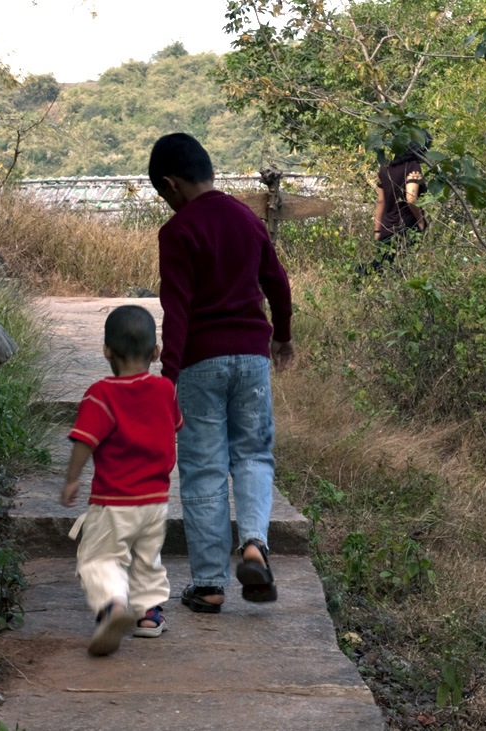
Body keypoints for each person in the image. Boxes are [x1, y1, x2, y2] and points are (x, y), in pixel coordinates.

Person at [148, 132, 295, 614]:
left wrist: (167, 379)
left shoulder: (179, 232)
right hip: (252, 358)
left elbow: (178, 310)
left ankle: (209, 584)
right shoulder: (246, 218)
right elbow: (276, 280)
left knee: (204, 470)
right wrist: (282, 336)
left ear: (171, 185)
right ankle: (254, 544)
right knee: (253, 454)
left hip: (199, 364)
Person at [61, 304, 183, 655]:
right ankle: (148, 616)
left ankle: (113, 604)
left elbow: (85, 440)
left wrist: (71, 480)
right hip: (156, 501)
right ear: (157, 352)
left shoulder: (101, 394)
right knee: (147, 558)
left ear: (106, 351)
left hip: (114, 501)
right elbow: (173, 427)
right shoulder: (165, 390)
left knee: (99, 558)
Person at [364, 133, 431, 275]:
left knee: (382, 268)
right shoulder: (413, 167)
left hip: (387, 227)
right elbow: (411, 198)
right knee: (402, 271)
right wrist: (421, 221)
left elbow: (381, 201)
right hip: (406, 227)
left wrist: (377, 230)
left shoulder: (386, 168)